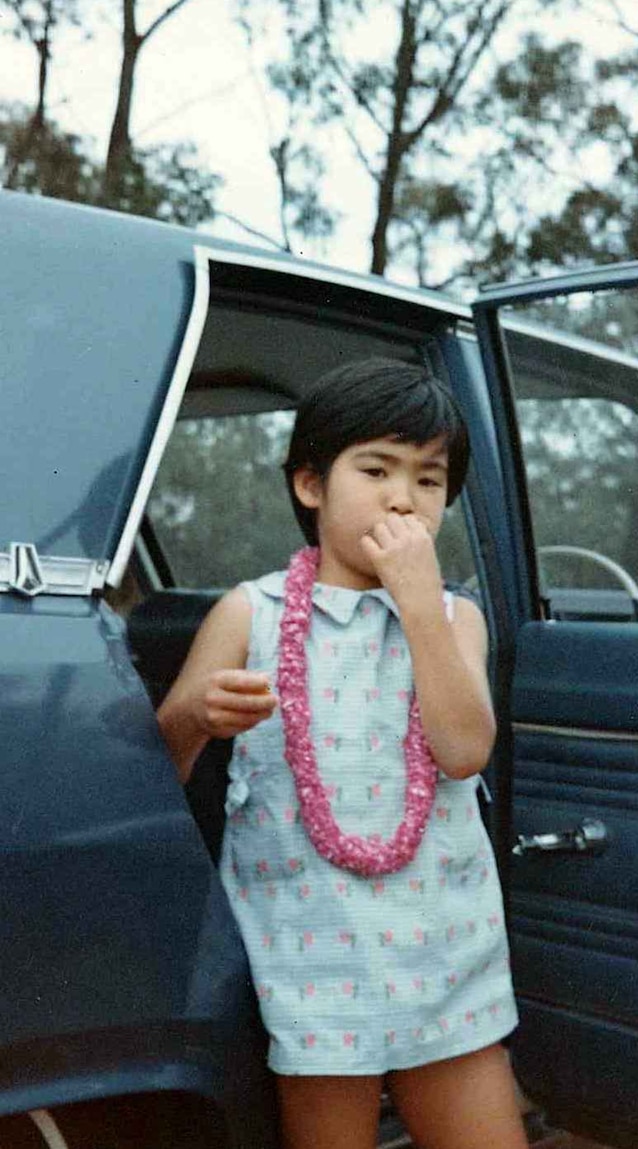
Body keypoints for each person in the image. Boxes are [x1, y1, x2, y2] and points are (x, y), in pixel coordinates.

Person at [157, 358, 528, 1149]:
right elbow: (163, 765)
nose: (404, 496)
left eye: (429, 480)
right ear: (311, 485)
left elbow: (464, 749)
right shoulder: (248, 612)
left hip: (443, 957)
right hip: (309, 960)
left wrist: (420, 602)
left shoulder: (454, 619)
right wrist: (196, 712)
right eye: (377, 469)